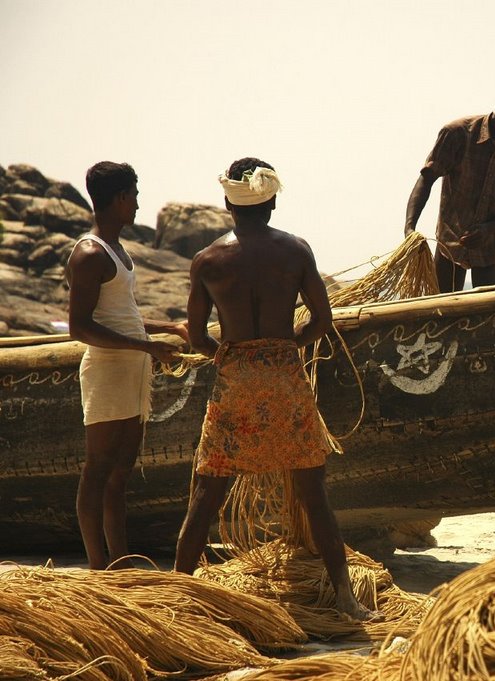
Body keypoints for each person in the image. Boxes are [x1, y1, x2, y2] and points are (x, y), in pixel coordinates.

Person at [173, 157, 375, 621]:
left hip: (237, 378)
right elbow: (321, 321)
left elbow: (199, 336)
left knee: (207, 490)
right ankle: (346, 598)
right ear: (273, 200)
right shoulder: (296, 251)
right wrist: (289, 346)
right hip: (285, 375)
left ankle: (178, 596)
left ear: (228, 202)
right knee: (312, 489)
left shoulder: (208, 260)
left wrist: (226, 354)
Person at [66, 161, 186, 570]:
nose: (137, 205)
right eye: (134, 196)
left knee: (120, 472)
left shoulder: (118, 250)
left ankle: (120, 562)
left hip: (133, 367)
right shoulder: (88, 254)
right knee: (98, 468)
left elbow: (124, 315)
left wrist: (169, 327)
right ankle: (99, 568)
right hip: (106, 370)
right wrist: (148, 347)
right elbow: (79, 328)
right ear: (120, 199)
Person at [404, 73, 495, 293]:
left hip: (489, 252)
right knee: (440, 310)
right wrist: (410, 229)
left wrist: (487, 229)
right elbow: (427, 179)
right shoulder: (457, 134)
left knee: (489, 317)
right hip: (448, 248)